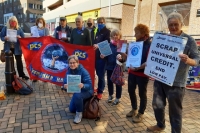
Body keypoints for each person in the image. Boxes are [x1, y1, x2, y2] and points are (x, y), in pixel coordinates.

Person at [147, 12, 200, 133]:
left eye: (176, 24)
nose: (173, 27)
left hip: (176, 83)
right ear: (168, 25)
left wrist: (189, 60)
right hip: (160, 78)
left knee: (175, 111)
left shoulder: (189, 40)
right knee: (157, 105)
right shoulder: (164, 38)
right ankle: (160, 125)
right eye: (171, 25)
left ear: (181, 24)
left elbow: (197, 59)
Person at [126, 24, 151, 123]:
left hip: (142, 75)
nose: (135, 34)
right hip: (132, 72)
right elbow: (129, 57)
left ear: (143, 34)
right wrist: (124, 56)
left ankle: (141, 113)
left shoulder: (149, 46)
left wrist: (138, 68)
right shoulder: (134, 44)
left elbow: (149, 62)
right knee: (131, 91)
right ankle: (134, 109)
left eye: (136, 33)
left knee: (142, 94)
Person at [63, 55, 93, 124]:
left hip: (87, 91)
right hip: (77, 91)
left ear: (77, 63)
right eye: (70, 63)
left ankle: (79, 114)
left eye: (74, 62)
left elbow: (89, 85)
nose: (72, 64)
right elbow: (65, 82)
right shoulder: (68, 71)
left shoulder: (83, 71)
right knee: (72, 109)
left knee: (77, 96)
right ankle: (81, 102)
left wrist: (83, 85)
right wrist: (65, 86)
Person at [100, 29, 127, 105]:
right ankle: (110, 95)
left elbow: (125, 57)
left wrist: (121, 58)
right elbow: (106, 57)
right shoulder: (108, 45)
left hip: (118, 67)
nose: (115, 36)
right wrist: (103, 56)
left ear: (119, 36)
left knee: (118, 83)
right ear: (111, 36)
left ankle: (118, 98)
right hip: (109, 67)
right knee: (110, 82)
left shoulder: (122, 45)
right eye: (113, 35)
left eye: (117, 35)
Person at [93, 17, 111, 99]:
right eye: (98, 22)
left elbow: (107, 43)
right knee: (98, 74)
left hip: (102, 57)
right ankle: (99, 88)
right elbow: (95, 42)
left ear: (104, 22)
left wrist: (98, 45)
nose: (100, 24)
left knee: (101, 75)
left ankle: (100, 91)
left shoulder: (107, 32)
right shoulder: (97, 31)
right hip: (96, 56)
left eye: (101, 22)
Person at [32, 17, 49, 82]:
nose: (40, 23)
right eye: (39, 22)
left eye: (41, 22)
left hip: (43, 48)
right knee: (36, 63)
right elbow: (32, 39)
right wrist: (32, 35)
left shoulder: (46, 29)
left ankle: (44, 77)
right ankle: (35, 77)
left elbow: (48, 38)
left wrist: (42, 38)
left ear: (43, 23)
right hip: (36, 48)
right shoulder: (34, 29)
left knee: (44, 62)